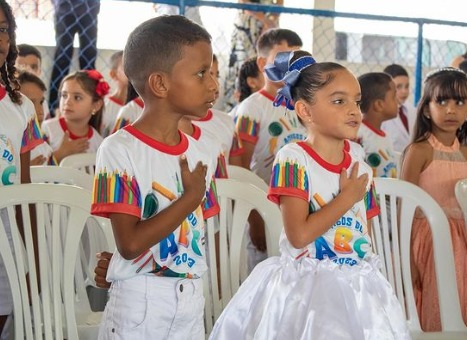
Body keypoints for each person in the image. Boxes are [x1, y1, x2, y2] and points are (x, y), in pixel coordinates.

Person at [210, 50, 409, 339]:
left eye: (356, 101)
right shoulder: (293, 158)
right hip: (308, 289)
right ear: (305, 111)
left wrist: (373, 278)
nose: (354, 110)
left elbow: (364, 232)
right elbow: (299, 236)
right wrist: (346, 198)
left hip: (359, 285)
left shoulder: (358, 158)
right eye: (339, 101)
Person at [90, 15, 218, 339]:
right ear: (160, 84)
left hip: (191, 299)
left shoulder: (203, 151)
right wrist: (190, 198)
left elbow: (201, 238)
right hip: (140, 304)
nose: (214, 85)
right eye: (202, 73)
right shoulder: (119, 149)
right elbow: (130, 244)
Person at [232, 28, 305, 271]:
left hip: (299, 212)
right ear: (263, 63)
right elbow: (241, 168)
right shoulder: (252, 109)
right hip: (263, 211)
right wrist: (254, 217)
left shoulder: (302, 106)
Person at [400, 67, 467, 331]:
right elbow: (404, 205)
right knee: (437, 304)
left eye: (460, 102)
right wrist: (406, 260)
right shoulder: (419, 151)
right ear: (427, 109)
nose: (451, 110)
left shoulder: (465, 152)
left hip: (462, 238)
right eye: (442, 101)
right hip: (429, 239)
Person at [0, 1, 43, 336]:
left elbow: (25, 187)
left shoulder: (22, 107)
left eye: (2, 30)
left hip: (7, 241)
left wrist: (32, 256)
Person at [222, 0, 283, 111]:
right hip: (247, 28)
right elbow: (242, 1)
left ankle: (261, 112)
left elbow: (280, 2)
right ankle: (236, 115)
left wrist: (271, 20)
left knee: (266, 71)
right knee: (242, 72)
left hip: (270, 29)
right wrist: (265, 20)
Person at [41, 70, 107, 164]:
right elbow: (34, 169)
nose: (67, 102)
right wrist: (59, 154)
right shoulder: (47, 129)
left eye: (77, 97)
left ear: (96, 105)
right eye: (64, 95)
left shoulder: (99, 143)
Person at [48, 0, 101, 115]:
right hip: (65, 8)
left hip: (89, 9)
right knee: (62, 58)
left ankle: (92, 105)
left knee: (88, 60)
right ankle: (55, 108)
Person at [356, 72, 399, 178]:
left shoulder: (386, 136)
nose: (398, 101)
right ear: (379, 105)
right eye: (394, 97)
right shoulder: (359, 135)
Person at [17, 70, 55, 165]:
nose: (39, 109)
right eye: (30, 103)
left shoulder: (44, 146)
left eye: (41, 102)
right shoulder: (7, 142)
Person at [381, 64, 416, 153]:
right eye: (398, 87)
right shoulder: (381, 115)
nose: (404, 91)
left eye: (407, 86)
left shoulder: (413, 111)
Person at [16, 43, 51, 120]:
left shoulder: (41, 100)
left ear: (40, 71)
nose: (28, 71)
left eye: (33, 67)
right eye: (21, 66)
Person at [101, 50, 128, 137]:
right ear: (113, 74)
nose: (135, 70)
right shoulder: (104, 106)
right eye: (127, 66)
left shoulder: (147, 107)